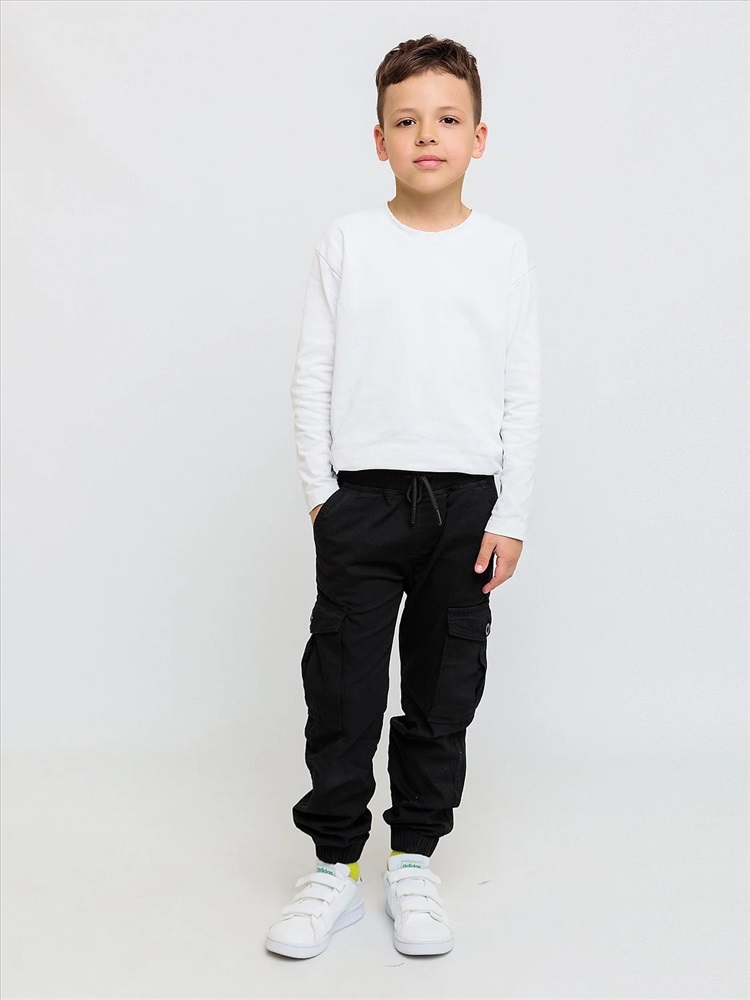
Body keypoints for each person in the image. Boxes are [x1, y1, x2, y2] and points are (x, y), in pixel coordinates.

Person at [265, 33, 542, 960]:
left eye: (448, 118)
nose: (428, 135)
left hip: (468, 507)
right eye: (407, 120)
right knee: (342, 688)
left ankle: (414, 859)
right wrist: (323, 497)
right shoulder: (348, 243)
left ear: (479, 137)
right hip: (364, 501)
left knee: (442, 689)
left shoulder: (503, 253)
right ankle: (335, 868)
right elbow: (312, 373)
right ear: (379, 139)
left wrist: (510, 515)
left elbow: (522, 391)